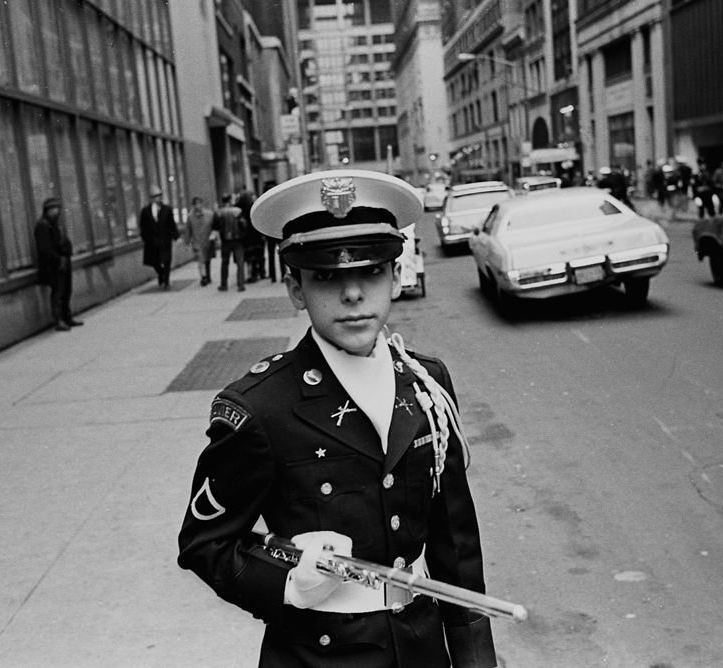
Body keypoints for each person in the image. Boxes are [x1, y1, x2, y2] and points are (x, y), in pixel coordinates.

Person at [177, 169, 497, 667]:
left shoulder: (426, 385)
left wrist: (476, 658)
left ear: (396, 274)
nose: (352, 295)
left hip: (420, 648)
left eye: (370, 271)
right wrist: (288, 578)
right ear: (296, 289)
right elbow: (204, 543)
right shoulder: (261, 407)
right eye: (326, 276)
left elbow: (454, 539)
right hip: (318, 654)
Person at [33, 197, 82, 332]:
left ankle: (67, 317)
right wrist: (57, 258)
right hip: (53, 265)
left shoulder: (56, 225)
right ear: (47, 210)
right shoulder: (42, 225)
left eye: (58, 209)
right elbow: (45, 248)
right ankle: (59, 319)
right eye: (53, 209)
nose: (57, 212)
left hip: (63, 261)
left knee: (67, 290)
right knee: (58, 292)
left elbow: (63, 241)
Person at [140, 185, 179, 288]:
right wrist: (144, 238)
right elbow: (143, 226)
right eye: (155, 196)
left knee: (166, 260)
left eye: (159, 195)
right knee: (154, 261)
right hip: (152, 241)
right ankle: (161, 273)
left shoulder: (167, 209)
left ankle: (166, 281)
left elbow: (172, 224)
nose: (157, 198)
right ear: (151, 198)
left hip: (165, 239)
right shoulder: (146, 211)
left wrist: (175, 236)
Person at [214, 193, 246, 291]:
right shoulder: (237, 211)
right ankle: (240, 284)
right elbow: (244, 224)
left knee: (224, 263)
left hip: (225, 241)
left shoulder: (219, 212)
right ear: (230, 200)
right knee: (240, 263)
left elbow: (216, 227)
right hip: (237, 240)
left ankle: (224, 284)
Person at [184, 196, 216, 286]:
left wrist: (214, 235)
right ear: (193, 206)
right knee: (201, 260)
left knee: (207, 260)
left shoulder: (210, 214)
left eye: (200, 203)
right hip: (197, 242)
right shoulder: (190, 216)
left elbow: (215, 226)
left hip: (208, 241)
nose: (198, 206)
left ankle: (208, 276)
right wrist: (186, 242)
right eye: (196, 204)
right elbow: (188, 229)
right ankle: (204, 277)